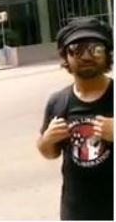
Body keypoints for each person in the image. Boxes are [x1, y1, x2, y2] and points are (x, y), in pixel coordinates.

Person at [37, 17, 113, 220]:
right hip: (76, 210)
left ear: (107, 54)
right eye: (77, 49)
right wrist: (47, 141)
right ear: (65, 57)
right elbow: (49, 153)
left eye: (95, 49)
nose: (86, 56)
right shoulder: (58, 101)